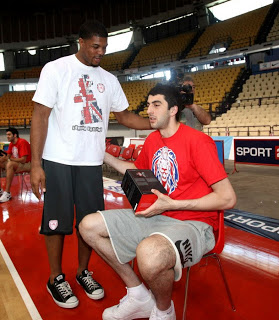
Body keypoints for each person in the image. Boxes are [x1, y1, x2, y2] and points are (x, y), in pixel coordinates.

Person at [79, 83, 236, 320]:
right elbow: (136, 170)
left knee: (149, 254)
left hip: (194, 223)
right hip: (158, 214)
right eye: (149, 104)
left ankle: (164, 311)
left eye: (156, 105)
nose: (149, 110)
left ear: (173, 110)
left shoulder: (198, 141)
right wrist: (104, 155)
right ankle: (138, 295)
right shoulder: (153, 140)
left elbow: (227, 198)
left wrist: (174, 205)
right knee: (88, 226)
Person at [30, 20, 151, 309]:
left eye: (104, 48)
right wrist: (36, 164)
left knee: (89, 224)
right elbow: (40, 116)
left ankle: (83, 272)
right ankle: (55, 277)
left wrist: (156, 123)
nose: (100, 52)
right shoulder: (56, 69)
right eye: (95, 46)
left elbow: (124, 118)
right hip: (58, 160)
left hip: (90, 164)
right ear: (81, 43)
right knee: (56, 223)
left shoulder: (109, 79)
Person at [0, 127, 31, 202]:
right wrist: (2, 159)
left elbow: (23, 160)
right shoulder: (11, 144)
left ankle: (7, 193)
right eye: (7, 135)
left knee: (10, 164)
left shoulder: (22, 142)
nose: (7, 136)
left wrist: (9, 159)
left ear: (15, 135)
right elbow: (8, 156)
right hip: (17, 164)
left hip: (28, 164)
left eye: (9, 135)